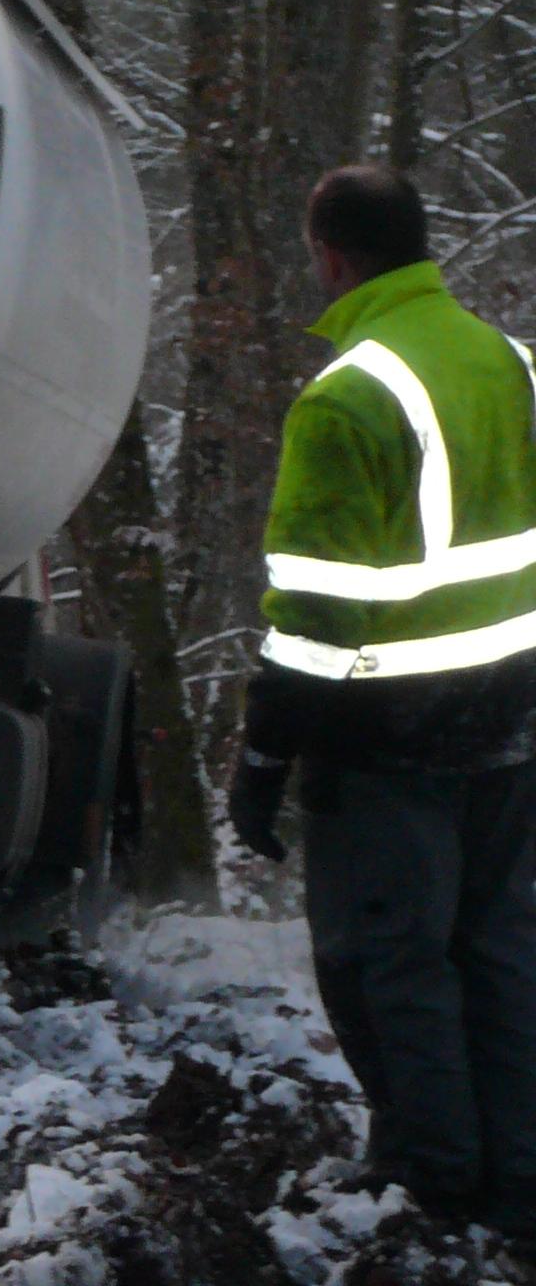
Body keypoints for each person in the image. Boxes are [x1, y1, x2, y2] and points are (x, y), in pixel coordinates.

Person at [231, 163, 536, 1244]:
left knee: (386, 965)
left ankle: (433, 1183)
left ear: (331, 256)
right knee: (497, 958)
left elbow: (319, 611)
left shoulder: (351, 396)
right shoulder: (512, 365)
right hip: (508, 725)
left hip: (387, 739)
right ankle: (518, 1193)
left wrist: (262, 762)